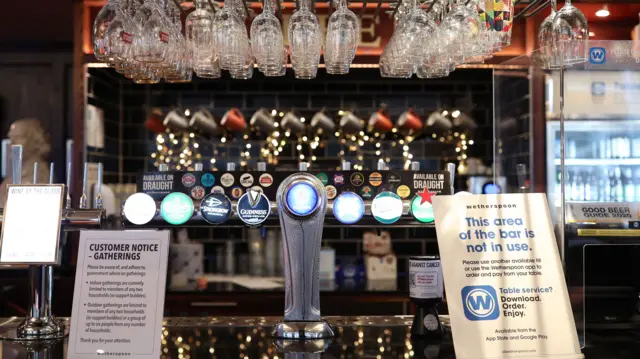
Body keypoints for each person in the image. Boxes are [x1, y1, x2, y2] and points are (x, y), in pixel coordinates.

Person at [0, 118, 51, 205]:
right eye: (11, 137)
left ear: (35, 140)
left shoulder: (38, 173)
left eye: (18, 137)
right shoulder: (16, 172)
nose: (12, 142)